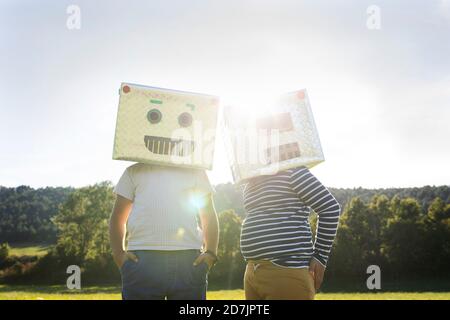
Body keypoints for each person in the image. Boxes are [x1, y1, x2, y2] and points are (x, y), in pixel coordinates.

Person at [109, 163, 219, 300]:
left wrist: (211, 253)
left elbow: (208, 214)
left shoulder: (195, 170)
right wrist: (119, 254)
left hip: (189, 261)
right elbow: (118, 218)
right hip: (141, 261)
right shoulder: (133, 171)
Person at [240, 166, 341, 300]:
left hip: (286, 269)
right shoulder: (252, 179)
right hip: (253, 270)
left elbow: (330, 208)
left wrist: (320, 256)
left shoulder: (293, 171)